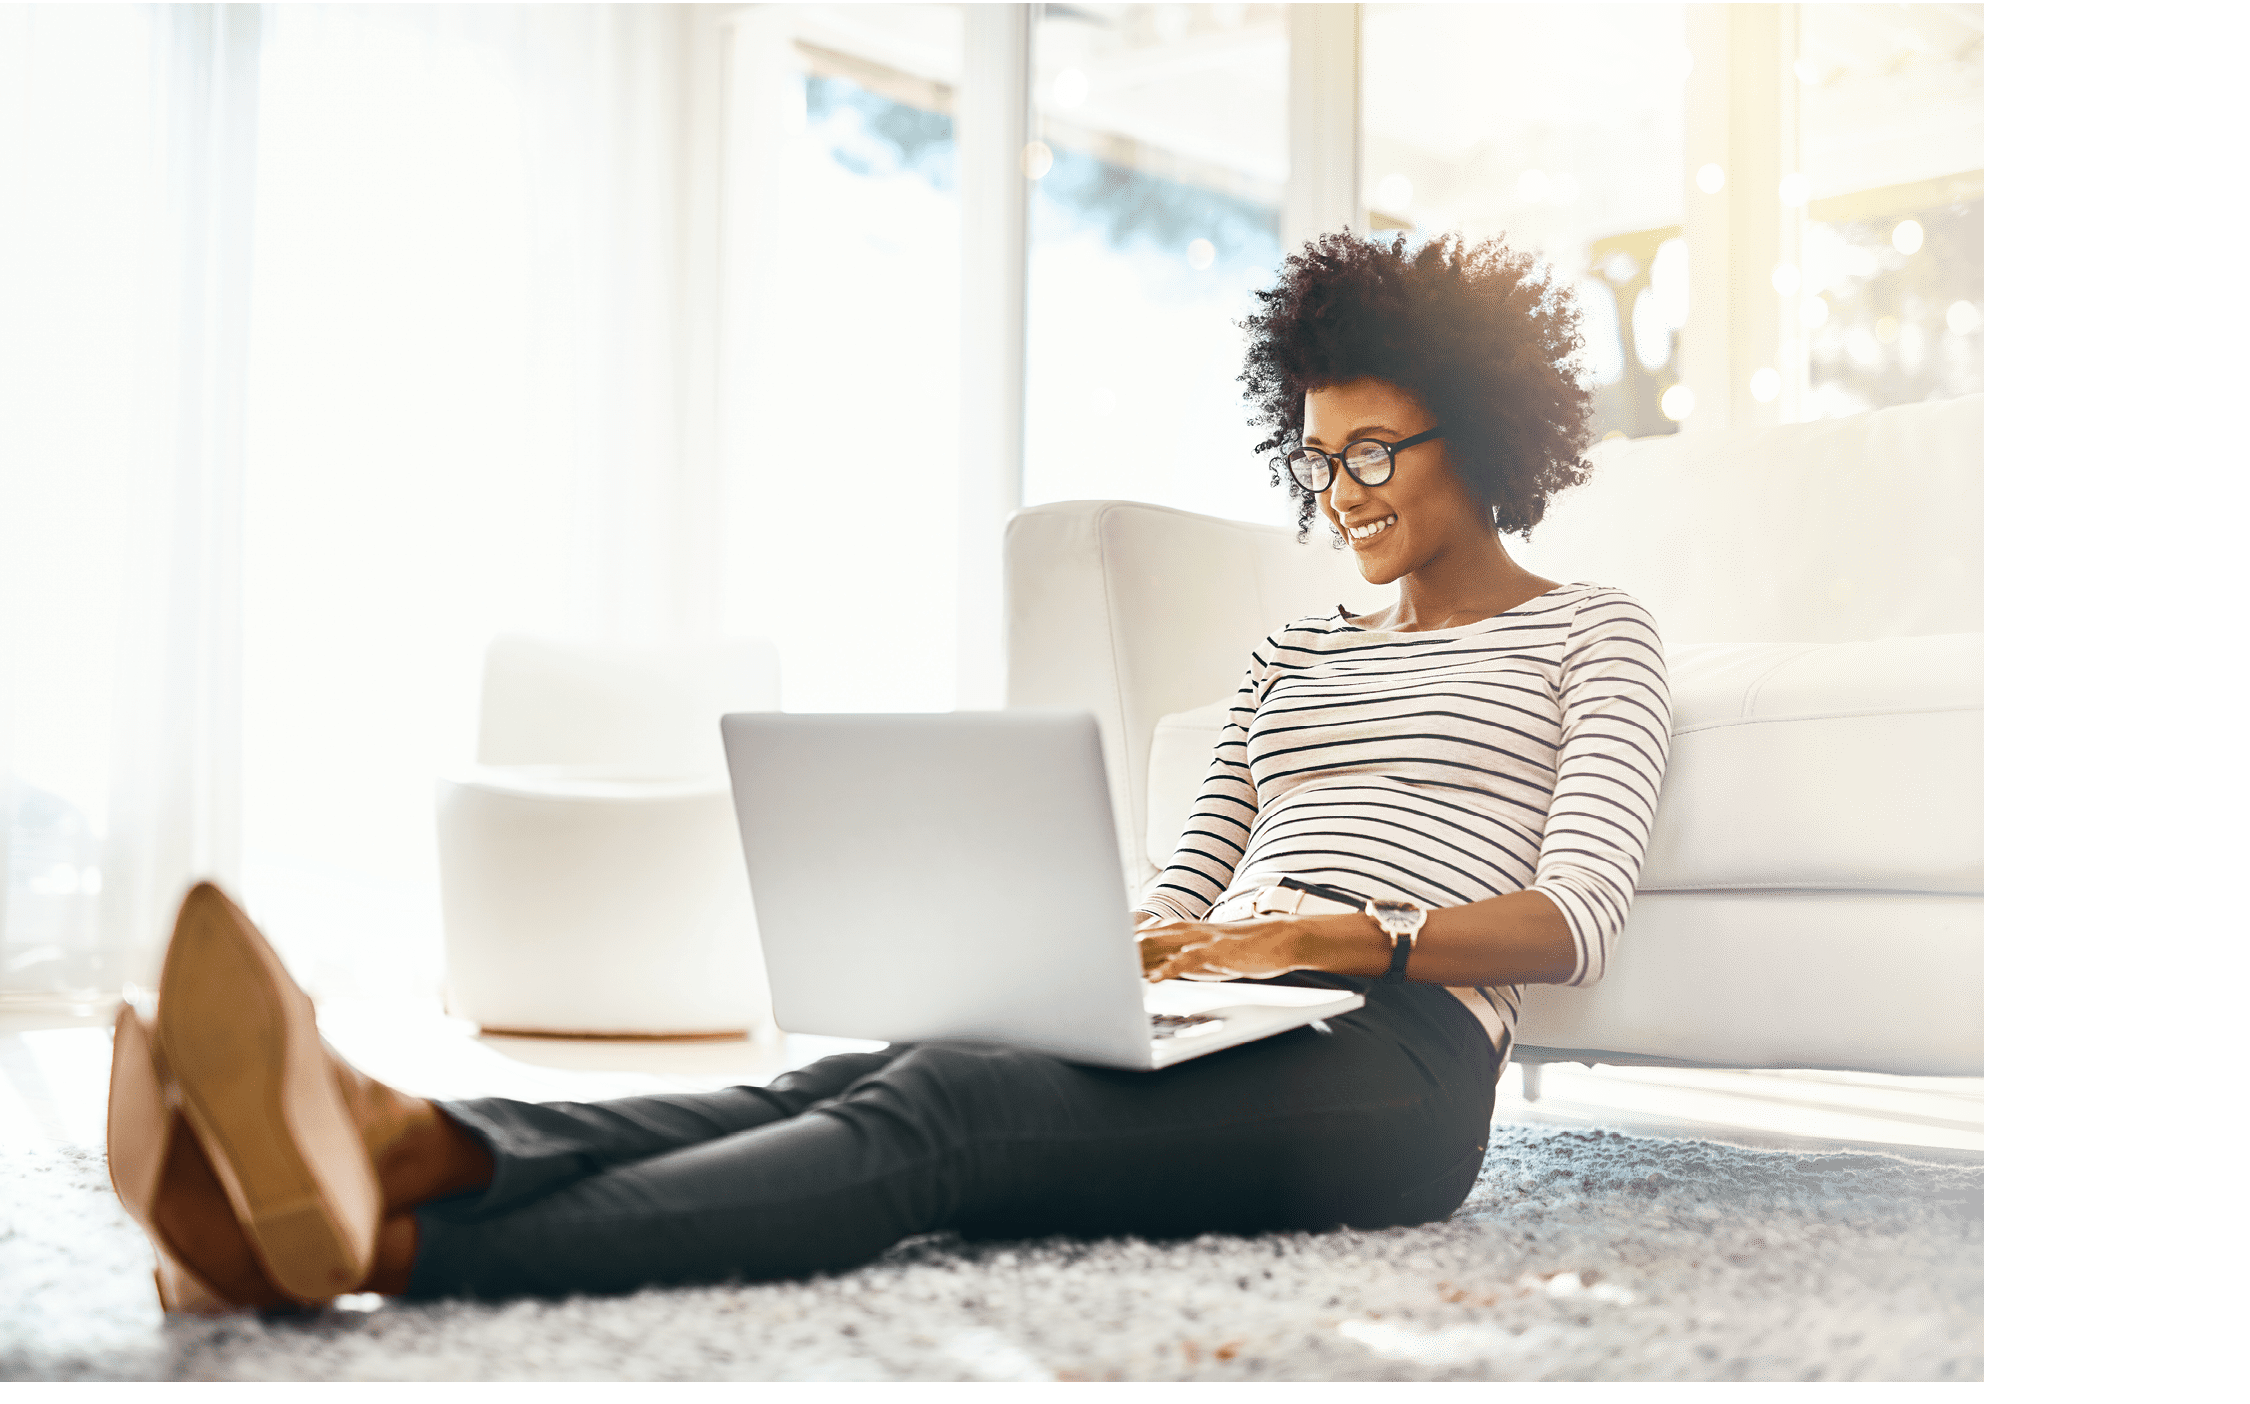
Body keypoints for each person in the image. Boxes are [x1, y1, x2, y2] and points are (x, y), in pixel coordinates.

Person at [104, 231, 1672, 1311]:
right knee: (861, 1073)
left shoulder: (1594, 635)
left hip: (1394, 1066)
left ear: (1477, 433)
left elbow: (1576, 916)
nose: (1344, 492)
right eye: (1319, 460)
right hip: (1220, 1008)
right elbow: (1184, 891)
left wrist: (1347, 940)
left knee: (951, 1122)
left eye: (1376, 452)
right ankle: (404, 1141)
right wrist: (1084, 954)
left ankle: (390, 1246)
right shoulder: (1287, 659)